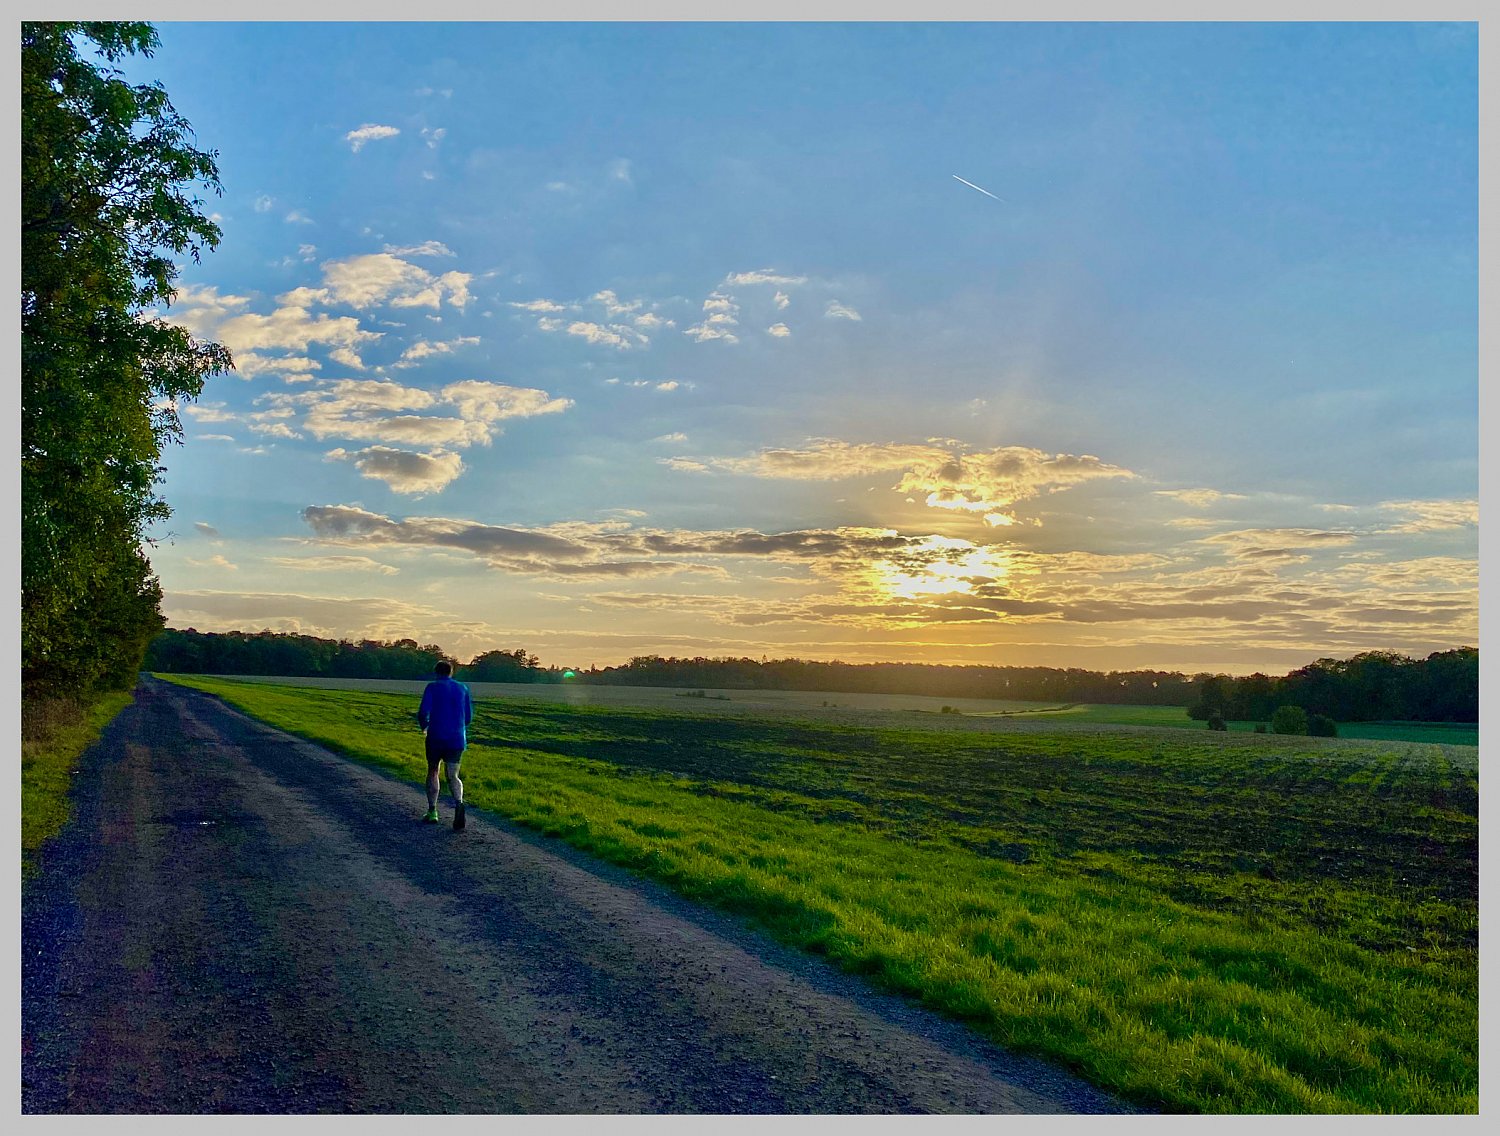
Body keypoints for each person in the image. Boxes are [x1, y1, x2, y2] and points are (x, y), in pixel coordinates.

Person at [417, 660, 473, 830]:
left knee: (433, 770)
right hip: (456, 738)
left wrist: (424, 726)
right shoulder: (463, 688)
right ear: (451, 672)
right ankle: (459, 802)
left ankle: (433, 811)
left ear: (437, 672)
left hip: (436, 736)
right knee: (453, 775)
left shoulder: (432, 688)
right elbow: (468, 717)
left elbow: (423, 712)